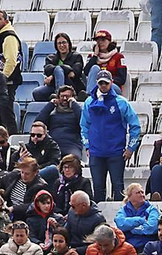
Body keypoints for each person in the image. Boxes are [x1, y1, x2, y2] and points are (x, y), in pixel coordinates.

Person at [81, 72, 140, 203]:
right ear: (97, 83)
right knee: (98, 188)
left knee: (118, 188)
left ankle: (120, 219)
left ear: (111, 83)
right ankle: (99, 219)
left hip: (116, 152)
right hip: (96, 152)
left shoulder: (121, 102)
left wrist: (131, 148)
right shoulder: (89, 102)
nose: (103, 86)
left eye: (106, 83)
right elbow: (84, 126)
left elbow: (135, 125)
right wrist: (87, 146)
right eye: (100, 83)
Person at [38, 87, 84, 167]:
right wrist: (50, 105)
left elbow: (83, 122)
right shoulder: (53, 112)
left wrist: (74, 104)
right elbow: (38, 123)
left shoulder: (78, 110)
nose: (65, 98)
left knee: (73, 163)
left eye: (68, 96)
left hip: (72, 146)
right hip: (53, 146)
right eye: (62, 96)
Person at [33, 36, 86, 102]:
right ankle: (57, 97)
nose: (62, 45)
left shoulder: (76, 56)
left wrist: (52, 76)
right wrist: (63, 71)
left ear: (68, 44)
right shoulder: (51, 58)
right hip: (53, 86)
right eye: (59, 43)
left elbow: (75, 72)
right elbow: (47, 69)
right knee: (37, 92)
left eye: (64, 42)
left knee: (58, 69)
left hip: (72, 86)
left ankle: (59, 95)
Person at [0, 11, 25, 99]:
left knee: (6, 111)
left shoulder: (9, 37)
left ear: (6, 21)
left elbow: (11, 61)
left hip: (7, 82)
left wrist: (2, 79)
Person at [112, 185, 157, 250]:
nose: (142, 195)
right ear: (129, 196)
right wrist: (141, 220)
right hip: (128, 246)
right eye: (138, 193)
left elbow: (151, 227)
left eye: (142, 192)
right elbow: (121, 224)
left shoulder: (152, 209)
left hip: (147, 246)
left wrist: (130, 228)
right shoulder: (123, 210)